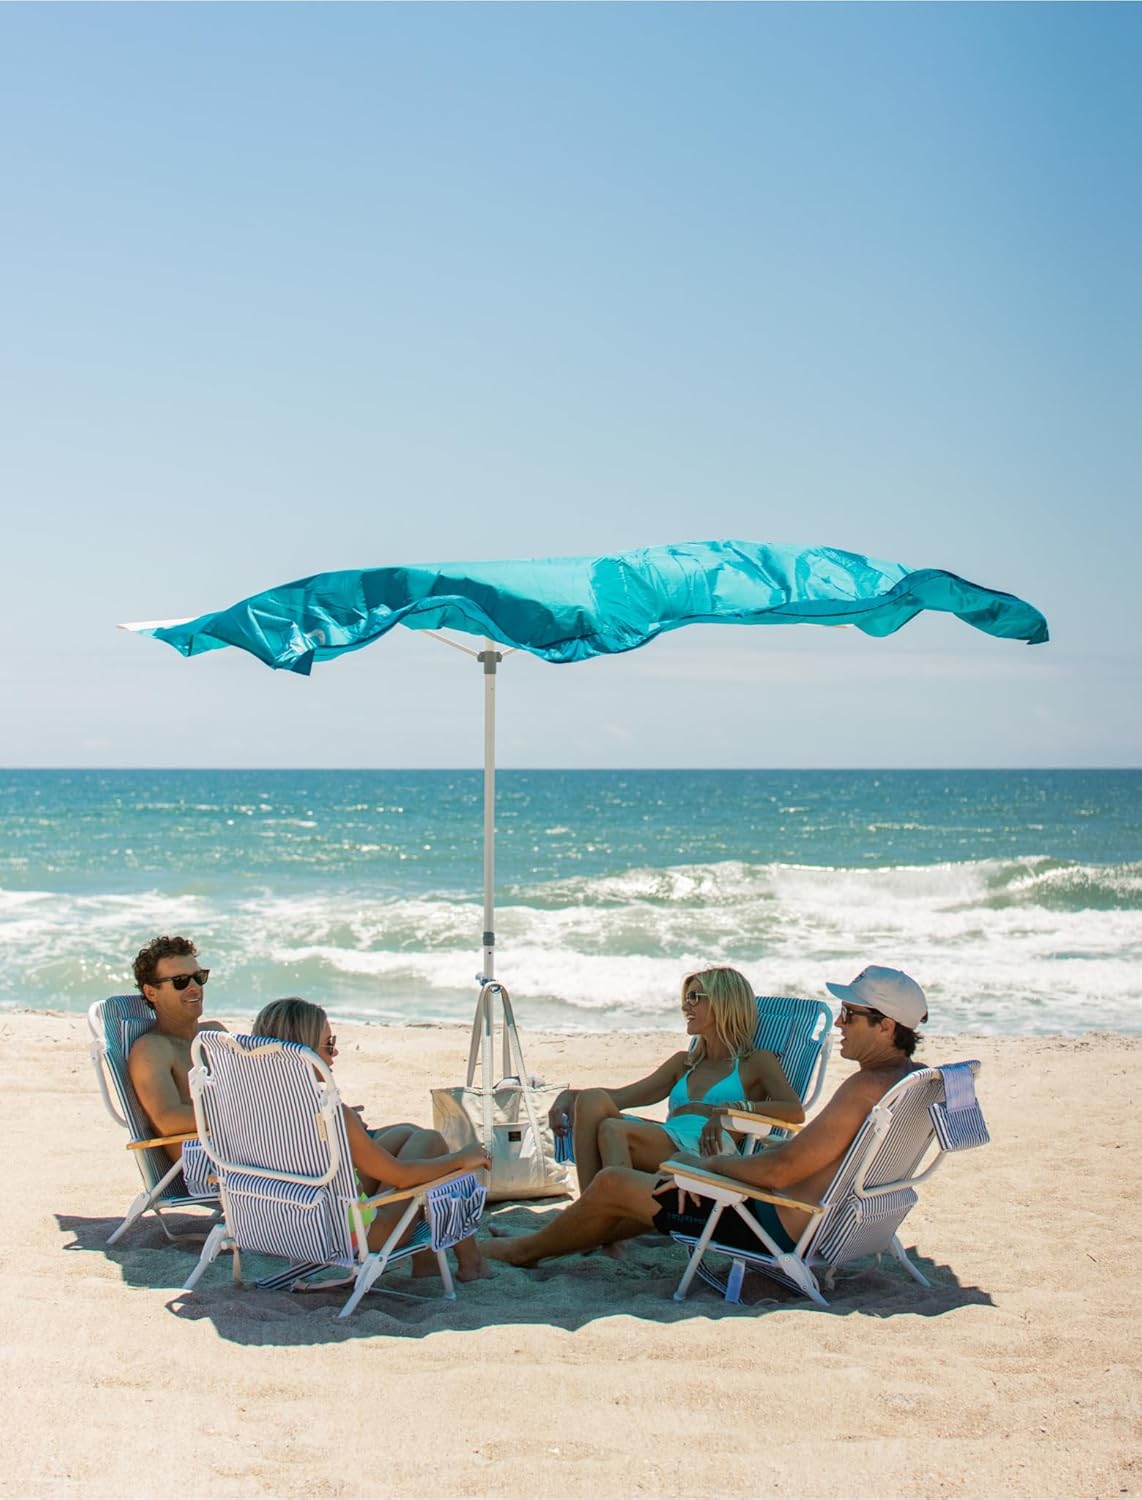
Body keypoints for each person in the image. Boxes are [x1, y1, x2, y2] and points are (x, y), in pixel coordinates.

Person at [485, 965, 928, 1268]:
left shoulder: (863, 1088)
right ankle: (558, 1239)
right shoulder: (910, 1082)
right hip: (799, 1216)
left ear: (886, 1026)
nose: (839, 1024)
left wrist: (703, 1166)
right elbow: (794, 1163)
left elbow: (780, 1169)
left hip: (765, 1224)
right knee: (614, 1182)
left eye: (850, 1015)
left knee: (613, 1183)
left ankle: (525, 1251)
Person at [252, 998, 491, 1281]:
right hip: (346, 1237)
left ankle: (428, 1264)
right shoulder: (328, 1114)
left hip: (279, 1226)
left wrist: (349, 1129)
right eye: (328, 1044)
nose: (335, 1052)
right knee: (431, 1143)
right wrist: (460, 1159)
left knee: (404, 1134)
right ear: (303, 1052)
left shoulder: (245, 1104)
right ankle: (471, 1263)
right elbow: (401, 1176)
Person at [547, 966, 804, 1193]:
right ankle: (595, 1208)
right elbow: (619, 1097)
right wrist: (569, 1096)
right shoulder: (684, 1062)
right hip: (668, 1137)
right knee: (592, 1100)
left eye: (694, 998)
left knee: (613, 1129)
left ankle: (606, 1213)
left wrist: (733, 1109)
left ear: (723, 1002)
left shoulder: (755, 1061)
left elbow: (794, 1111)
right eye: (685, 999)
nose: (685, 1007)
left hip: (703, 1150)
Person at [127, 934, 226, 1161]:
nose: (194, 987)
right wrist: (246, 1117)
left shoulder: (215, 1033)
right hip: (208, 1164)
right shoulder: (152, 1049)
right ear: (151, 992)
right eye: (180, 981)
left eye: (199, 977)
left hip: (246, 1151)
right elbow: (167, 1119)